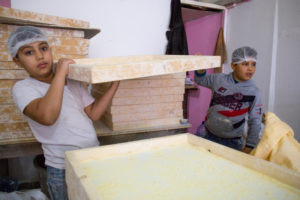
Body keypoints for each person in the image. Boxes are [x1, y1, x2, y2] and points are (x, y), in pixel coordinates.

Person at [8, 26, 119, 200]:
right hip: (63, 169)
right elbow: (48, 116)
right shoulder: (23, 88)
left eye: (43, 48)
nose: (39, 56)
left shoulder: (72, 82)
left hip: (91, 157)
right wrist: (60, 73)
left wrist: (114, 85)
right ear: (17, 61)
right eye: (29, 52)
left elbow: (94, 114)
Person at [194, 46, 263, 153]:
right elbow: (200, 80)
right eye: (245, 64)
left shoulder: (254, 92)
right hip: (207, 135)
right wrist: (200, 69)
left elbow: (255, 121)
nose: (250, 68)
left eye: (253, 64)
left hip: (232, 143)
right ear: (233, 65)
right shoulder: (218, 79)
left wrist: (250, 145)